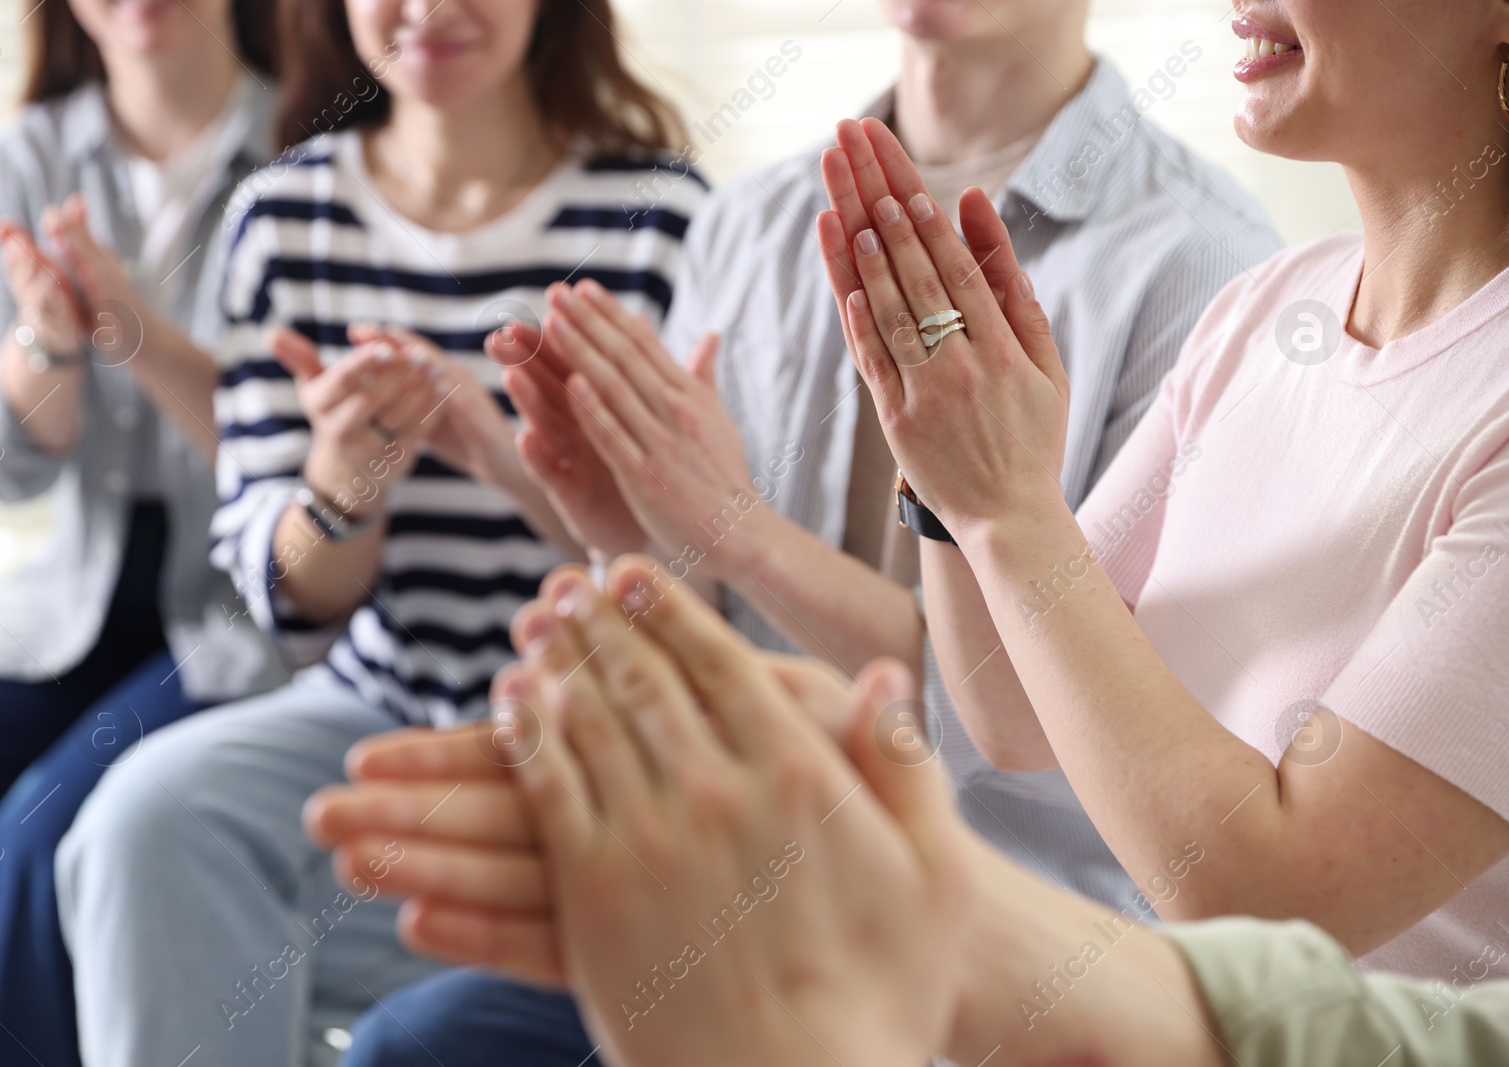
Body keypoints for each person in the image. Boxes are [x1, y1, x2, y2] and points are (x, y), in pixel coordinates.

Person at [335, 0, 1279, 1060]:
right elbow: (717, 628)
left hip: (1022, 941)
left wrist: (732, 532)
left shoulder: (1205, 268)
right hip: (748, 887)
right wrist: (634, 532)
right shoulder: (748, 223)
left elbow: (1064, 727)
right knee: (411, 1044)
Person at [52, 0, 704, 1064]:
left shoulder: (657, 215)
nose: (432, 10)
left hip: (599, 730)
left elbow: (690, 565)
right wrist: (342, 489)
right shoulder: (287, 215)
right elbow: (288, 589)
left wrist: (499, 448)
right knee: (144, 824)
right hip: (378, 700)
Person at [821, 0, 1509, 981]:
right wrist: (944, 449)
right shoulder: (1267, 309)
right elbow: (1014, 710)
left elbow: (1272, 896)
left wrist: (1007, 505)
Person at [309, 559, 1509, 1067]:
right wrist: (942, 908)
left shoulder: (1182, 242)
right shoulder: (1268, 306)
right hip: (1114, 940)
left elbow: (1258, 879)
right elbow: (1000, 702)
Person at [0, 0, 283, 1063]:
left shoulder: (314, 148)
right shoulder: (19, 159)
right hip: (70, 596)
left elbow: (303, 461)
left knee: (40, 841)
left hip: (246, 605)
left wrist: (139, 336)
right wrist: (45, 346)